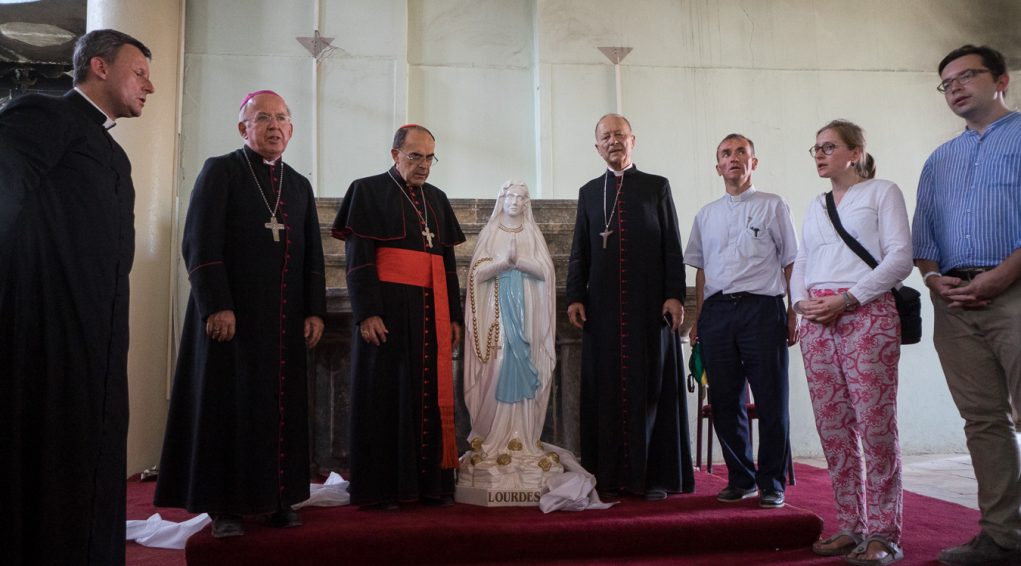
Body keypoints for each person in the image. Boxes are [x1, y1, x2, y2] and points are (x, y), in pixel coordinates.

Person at [0, 29, 154, 565]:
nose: (150, 86)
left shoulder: (111, 150)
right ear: (100, 67)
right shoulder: (45, 113)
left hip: (96, 336)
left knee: (91, 453)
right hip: (44, 329)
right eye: (140, 72)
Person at [154, 90, 327, 538]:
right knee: (228, 408)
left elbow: (312, 257)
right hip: (232, 319)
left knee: (280, 408)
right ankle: (225, 506)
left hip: (284, 321)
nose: (274, 126)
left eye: (282, 118)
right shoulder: (221, 170)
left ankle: (279, 499)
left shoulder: (298, 184)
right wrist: (217, 304)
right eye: (263, 118)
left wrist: (314, 311)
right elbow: (200, 242)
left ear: (291, 129)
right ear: (243, 128)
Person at [912, 45, 1021, 566]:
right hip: (955, 305)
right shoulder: (939, 160)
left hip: (1015, 292)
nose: (954, 87)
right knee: (983, 421)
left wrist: (1004, 274)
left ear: (1001, 79)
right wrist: (934, 279)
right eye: (946, 82)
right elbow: (924, 236)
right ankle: (1002, 536)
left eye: (966, 76)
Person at [792, 120, 912, 565]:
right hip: (817, 321)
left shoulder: (882, 192)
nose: (820, 155)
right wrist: (800, 304)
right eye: (816, 148)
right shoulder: (815, 204)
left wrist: (848, 299)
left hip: (867, 313)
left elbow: (900, 257)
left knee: (876, 427)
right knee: (834, 428)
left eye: (829, 147)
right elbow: (802, 260)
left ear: (855, 152)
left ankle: (884, 532)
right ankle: (850, 525)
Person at [332, 124, 465, 509]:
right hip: (387, 311)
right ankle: (384, 489)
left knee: (428, 395)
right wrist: (367, 312)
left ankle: (429, 484)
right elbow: (358, 260)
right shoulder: (366, 190)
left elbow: (447, 264)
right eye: (415, 156)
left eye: (429, 158)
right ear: (395, 155)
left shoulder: (437, 199)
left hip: (431, 312)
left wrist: (454, 316)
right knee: (386, 395)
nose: (423, 165)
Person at [566, 113, 694, 501]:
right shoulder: (590, 192)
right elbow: (580, 250)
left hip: (648, 309)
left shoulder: (656, 186)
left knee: (650, 387)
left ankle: (652, 477)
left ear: (632, 140)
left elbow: (671, 244)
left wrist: (675, 294)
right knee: (606, 390)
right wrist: (575, 296)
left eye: (619, 135)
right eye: (606, 136)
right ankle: (608, 474)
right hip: (603, 311)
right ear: (597, 146)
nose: (613, 141)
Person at [685, 133, 798, 509]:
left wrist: (793, 311)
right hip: (717, 313)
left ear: (754, 162)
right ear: (717, 166)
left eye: (740, 152)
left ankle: (772, 483)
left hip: (762, 310)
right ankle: (741, 478)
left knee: (771, 399)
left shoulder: (773, 205)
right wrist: (699, 319)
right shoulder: (706, 215)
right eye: (725, 154)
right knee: (724, 400)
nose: (733, 158)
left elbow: (791, 261)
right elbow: (701, 271)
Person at [459, 180, 561, 490]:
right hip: (497, 316)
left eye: (520, 197)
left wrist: (522, 263)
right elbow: (476, 274)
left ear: (526, 203)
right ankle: (495, 436)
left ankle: (522, 438)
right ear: (501, 200)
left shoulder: (531, 233)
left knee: (526, 364)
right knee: (498, 364)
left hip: (528, 313)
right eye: (510, 196)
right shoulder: (491, 233)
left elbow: (546, 272)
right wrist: (503, 263)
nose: (515, 201)